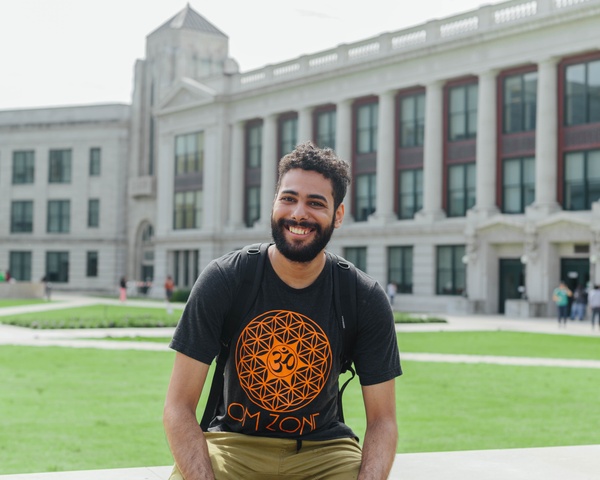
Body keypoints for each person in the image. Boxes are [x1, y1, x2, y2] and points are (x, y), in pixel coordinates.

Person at [163, 142, 402, 480]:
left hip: (324, 452)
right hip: (233, 445)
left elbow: (383, 420)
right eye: (288, 198)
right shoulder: (226, 279)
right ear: (274, 203)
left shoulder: (363, 296)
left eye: (315, 203)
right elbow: (178, 407)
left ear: (338, 215)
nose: (298, 213)